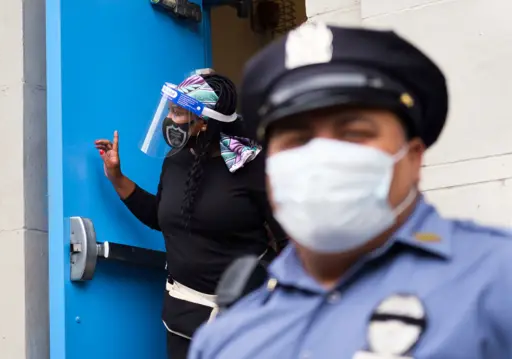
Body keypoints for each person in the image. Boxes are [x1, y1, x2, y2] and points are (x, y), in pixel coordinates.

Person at [189, 22, 512, 359]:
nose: (321, 156)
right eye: (297, 139)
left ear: (413, 158)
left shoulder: (498, 279)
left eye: (353, 133)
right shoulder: (227, 340)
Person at [94, 70, 287, 359]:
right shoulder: (176, 161)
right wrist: (117, 177)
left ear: (204, 122)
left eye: (178, 112)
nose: (170, 120)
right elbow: (163, 218)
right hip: (184, 316)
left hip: (247, 316)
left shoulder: (251, 164)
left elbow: (289, 240)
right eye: (170, 110)